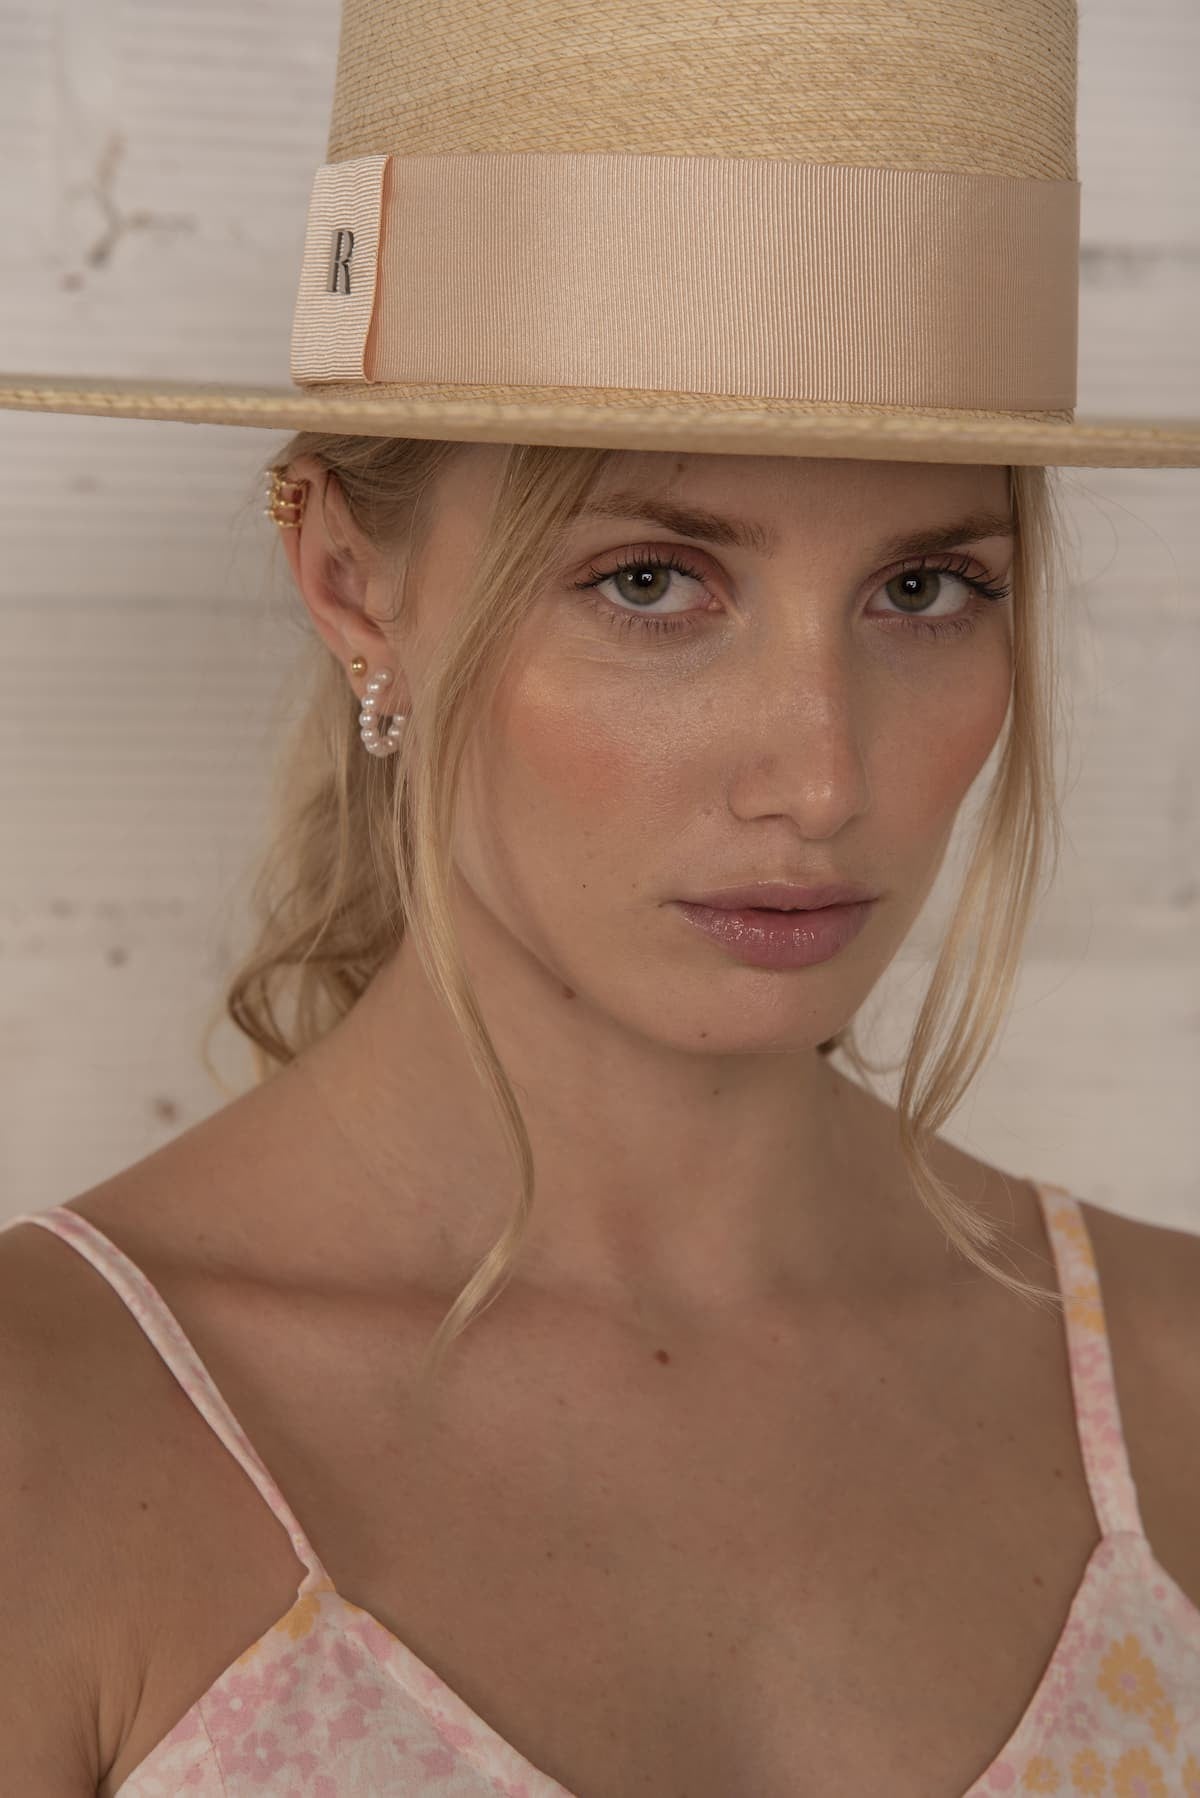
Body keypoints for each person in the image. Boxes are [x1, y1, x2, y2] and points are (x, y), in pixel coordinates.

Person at [1, 0, 1198, 1793]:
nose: (822, 774)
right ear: (353, 583)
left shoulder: (1174, 1390)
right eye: (653, 580)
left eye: (925, 588)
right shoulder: (48, 1443)